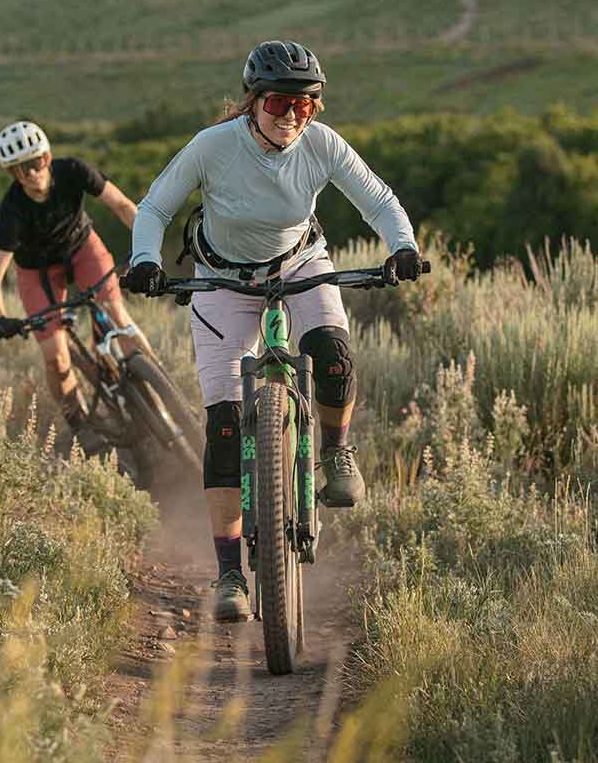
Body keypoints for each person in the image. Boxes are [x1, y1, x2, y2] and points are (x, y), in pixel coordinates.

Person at [120, 40, 424, 622]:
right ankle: (231, 572)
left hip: (300, 262)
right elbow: (155, 206)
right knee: (227, 426)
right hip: (222, 280)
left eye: (306, 106)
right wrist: (144, 260)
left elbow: (378, 200)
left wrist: (403, 246)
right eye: (281, 102)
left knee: (332, 357)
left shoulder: (322, 146)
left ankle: (335, 452)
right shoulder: (213, 146)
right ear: (253, 101)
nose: (291, 116)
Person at [0, 119, 153, 458]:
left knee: (118, 315)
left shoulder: (74, 171)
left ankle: (162, 396)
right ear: (12, 174)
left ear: (48, 156)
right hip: (38, 270)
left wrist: (146, 249)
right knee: (56, 358)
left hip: (81, 247)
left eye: (36, 161)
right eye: (19, 169)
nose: (31, 173)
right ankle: (80, 423)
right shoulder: (12, 210)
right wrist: (0, 318)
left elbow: (122, 206)